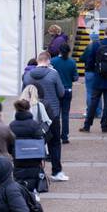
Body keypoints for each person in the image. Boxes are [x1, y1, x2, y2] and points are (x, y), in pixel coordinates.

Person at [22, 50, 68, 182]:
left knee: (33, 143)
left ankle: (34, 171)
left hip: (33, 113)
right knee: (54, 143)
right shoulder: (53, 74)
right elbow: (61, 92)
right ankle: (57, 171)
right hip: (51, 112)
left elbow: (24, 93)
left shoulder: (27, 75)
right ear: (48, 61)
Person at [81, 25, 107, 133]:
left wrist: (96, 70)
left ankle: (87, 125)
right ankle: (104, 126)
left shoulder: (96, 44)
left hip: (98, 78)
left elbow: (90, 60)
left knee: (93, 102)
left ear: (104, 33)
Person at [9, 97, 47, 193]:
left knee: (19, 175)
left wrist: (12, 152)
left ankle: (21, 192)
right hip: (33, 155)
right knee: (33, 174)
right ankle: (33, 192)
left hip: (18, 155)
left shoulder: (12, 125)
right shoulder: (34, 124)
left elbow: (9, 142)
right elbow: (40, 139)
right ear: (29, 109)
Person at [50, 42, 78, 144]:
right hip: (67, 90)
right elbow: (75, 77)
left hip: (56, 90)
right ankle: (65, 136)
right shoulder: (72, 62)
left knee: (55, 114)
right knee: (65, 115)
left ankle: (55, 134)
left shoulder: (53, 61)